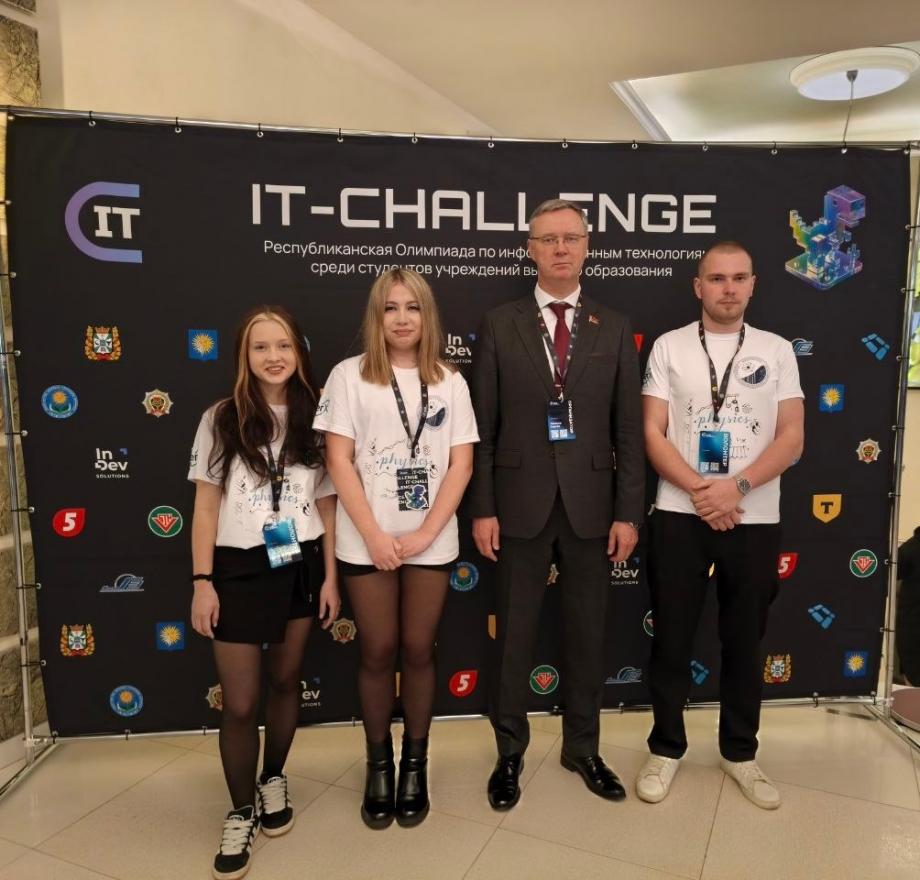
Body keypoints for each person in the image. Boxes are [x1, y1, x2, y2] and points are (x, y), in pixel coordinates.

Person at [469, 198, 645, 809]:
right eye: (548, 239)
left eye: (571, 237)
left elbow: (628, 431)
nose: (561, 248)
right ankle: (509, 753)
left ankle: (583, 749)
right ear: (531, 250)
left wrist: (628, 512)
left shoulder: (613, 326)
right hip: (517, 505)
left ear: (587, 247)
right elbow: (483, 428)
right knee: (513, 636)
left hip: (593, 508)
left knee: (588, 635)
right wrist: (483, 507)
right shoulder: (500, 323)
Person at [637, 241, 804, 810]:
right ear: (698, 286)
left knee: (743, 640)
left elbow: (792, 436)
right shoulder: (670, 346)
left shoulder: (777, 350)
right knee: (672, 638)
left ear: (753, 285)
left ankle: (740, 752)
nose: (728, 288)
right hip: (680, 514)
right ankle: (666, 748)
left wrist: (737, 488)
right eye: (716, 278)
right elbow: (653, 431)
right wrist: (702, 490)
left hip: (754, 515)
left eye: (738, 278)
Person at [315, 267, 478, 829]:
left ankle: (415, 763)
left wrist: (426, 534)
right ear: (376, 316)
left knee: (418, 650)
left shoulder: (450, 380)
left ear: (427, 316)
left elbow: (461, 464)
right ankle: (378, 764)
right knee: (378, 651)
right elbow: (338, 461)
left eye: (412, 308)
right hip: (368, 541)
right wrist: (375, 537)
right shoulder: (348, 376)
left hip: (431, 540)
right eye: (390, 308)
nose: (402, 319)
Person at [189, 306, 340, 880]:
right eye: (260, 347)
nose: (273, 357)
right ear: (243, 357)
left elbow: (327, 503)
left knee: (284, 682)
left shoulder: (318, 414)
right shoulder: (221, 418)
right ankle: (239, 811)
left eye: (283, 346)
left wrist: (330, 576)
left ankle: (273, 778)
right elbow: (206, 507)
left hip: (299, 562)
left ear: (298, 351)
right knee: (240, 702)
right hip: (237, 568)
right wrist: (202, 582)